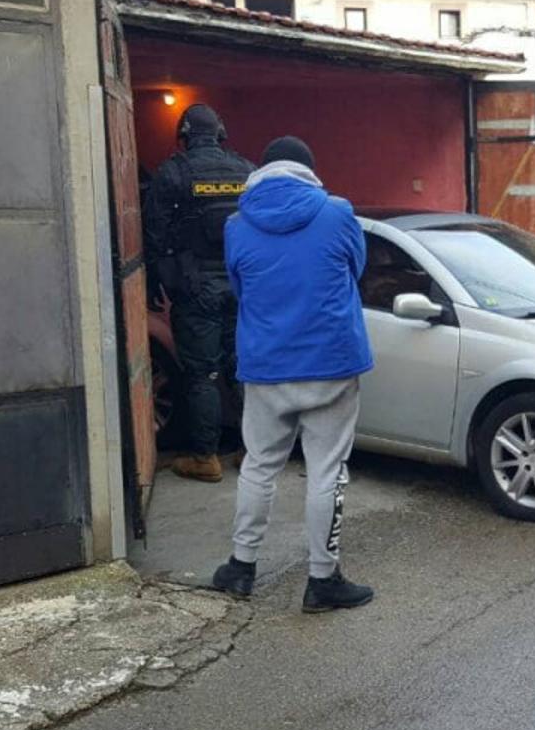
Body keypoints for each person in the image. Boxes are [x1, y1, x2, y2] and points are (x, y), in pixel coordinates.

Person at [210, 137, 375, 613]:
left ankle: (241, 567)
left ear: (261, 171)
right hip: (331, 362)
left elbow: (241, 286)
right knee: (327, 471)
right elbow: (356, 268)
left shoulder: (236, 225)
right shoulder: (337, 213)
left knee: (259, 465)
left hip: (266, 365)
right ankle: (323, 579)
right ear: (309, 171)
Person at [143, 104, 254, 483]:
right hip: (241, 287)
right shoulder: (247, 171)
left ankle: (205, 457)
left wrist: (155, 284)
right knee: (241, 368)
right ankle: (252, 452)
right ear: (220, 133)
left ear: (184, 136)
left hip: (195, 291)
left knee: (202, 373)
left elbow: (154, 235)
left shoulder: (172, 173)